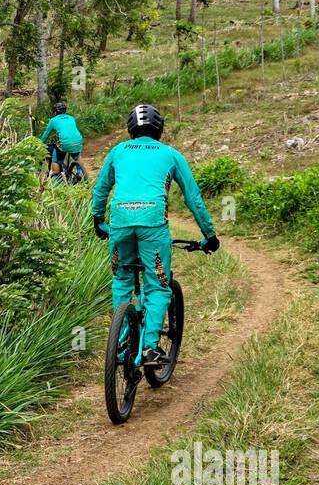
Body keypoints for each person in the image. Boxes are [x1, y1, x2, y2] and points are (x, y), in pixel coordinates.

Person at [90, 104, 220, 366]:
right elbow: (193, 199)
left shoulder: (117, 151)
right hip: (153, 225)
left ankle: (121, 342)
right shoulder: (171, 155)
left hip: (120, 224)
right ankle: (149, 348)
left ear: (130, 129)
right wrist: (210, 235)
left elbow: (101, 189)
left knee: (121, 280)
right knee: (158, 285)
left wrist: (97, 221)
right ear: (159, 129)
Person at [39, 101, 84, 179]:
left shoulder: (53, 120)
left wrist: (39, 144)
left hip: (65, 144)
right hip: (78, 141)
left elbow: (45, 136)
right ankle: (83, 174)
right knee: (76, 157)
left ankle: (57, 178)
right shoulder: (71, 118)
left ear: (55, 112)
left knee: (55, 159)